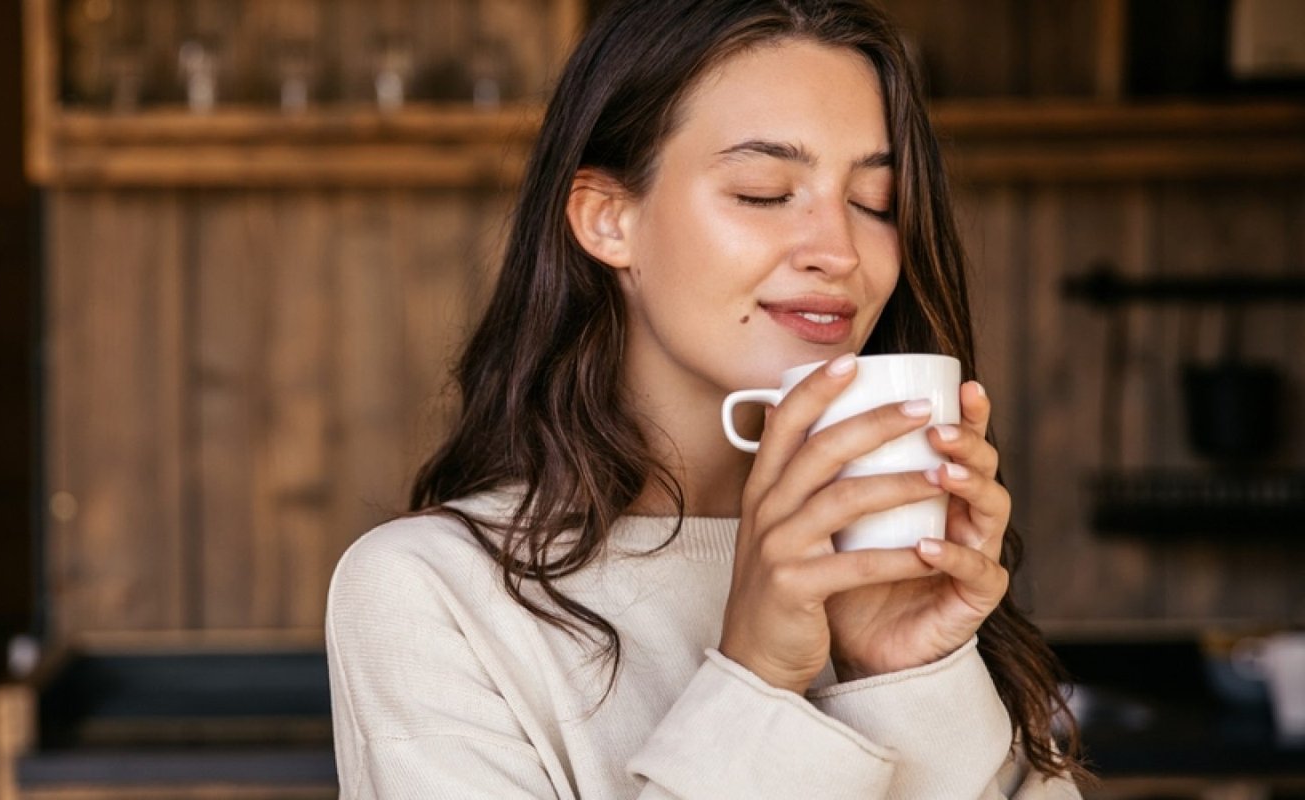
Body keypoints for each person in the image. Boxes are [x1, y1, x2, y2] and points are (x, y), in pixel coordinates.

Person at [326, 0, 1087, 796]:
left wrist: (905, 678)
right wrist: (755, 676)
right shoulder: (430, 595)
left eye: (876, 204)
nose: (839, 251)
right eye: (763, 192)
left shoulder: (904, 570)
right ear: (607, 218)